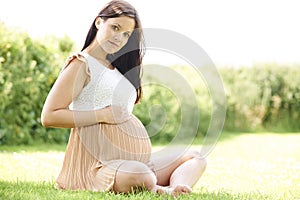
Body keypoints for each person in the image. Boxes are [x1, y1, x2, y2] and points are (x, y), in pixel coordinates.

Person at [41, 0, 206, 197]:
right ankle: (155, 186)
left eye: (126, 34)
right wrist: (102, 114)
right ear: (99, 22)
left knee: (195, 157)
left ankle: (177, 187)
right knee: (140, 175)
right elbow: (49, 116)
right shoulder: (81, 63)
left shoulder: (116, 69)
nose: (119, 38)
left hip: (134, 163)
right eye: (115, 27)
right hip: (98, 166)